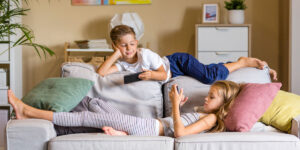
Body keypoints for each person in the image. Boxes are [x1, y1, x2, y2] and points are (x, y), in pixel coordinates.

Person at [8, 80, 241, 137]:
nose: (207, 98)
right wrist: (176, 109)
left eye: (212, 97)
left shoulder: (211, 120)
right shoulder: (202, 111)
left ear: (224, 104)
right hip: (148, 127)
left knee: (86, 116)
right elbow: (173, 125)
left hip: (148, 128)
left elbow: (179, 133)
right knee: (95, 103)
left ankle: (27, 111)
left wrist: (174, 107)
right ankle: (121, 134)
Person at [97, 25, 277, 84]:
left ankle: (242, 62)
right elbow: (101, 73)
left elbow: (164, 74)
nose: (129, 49)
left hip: (177, 63)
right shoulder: (122, 63)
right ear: (115, 46)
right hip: (173, 66)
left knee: (208, 77)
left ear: (136, 42)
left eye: (131, 44)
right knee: (209, 70)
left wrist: (152, 75)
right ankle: (230, 63)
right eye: (123, 46)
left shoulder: (146, 55)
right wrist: (115, 54)